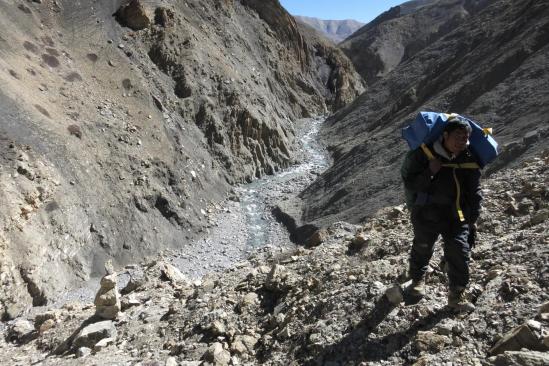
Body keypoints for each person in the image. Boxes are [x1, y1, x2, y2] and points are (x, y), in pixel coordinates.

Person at [401, 117, 482, 312]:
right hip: (426, 213)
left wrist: (473, 220)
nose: (462, 141)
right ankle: (417, 280)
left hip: (456, 214)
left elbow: (474, 191)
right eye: (457, 136)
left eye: (465, 137)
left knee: (460, 251)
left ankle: (457, 293)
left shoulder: (469, 158)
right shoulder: (424, 155)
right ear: (445, 135)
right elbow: (410, 183)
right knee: (422, 247)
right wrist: (429, 171)